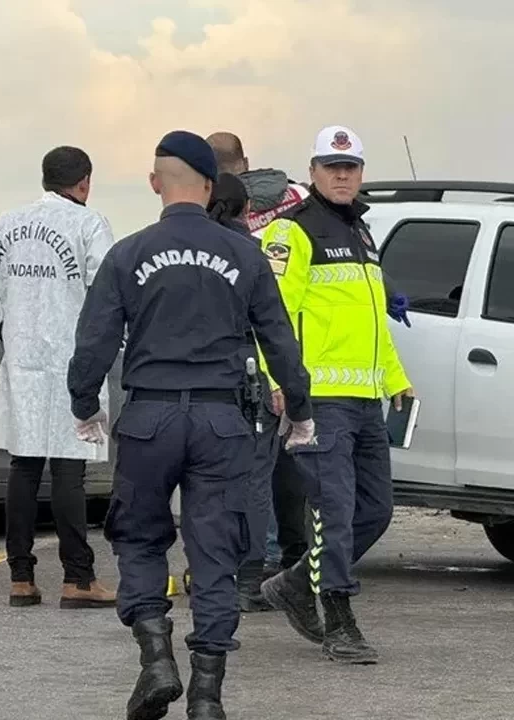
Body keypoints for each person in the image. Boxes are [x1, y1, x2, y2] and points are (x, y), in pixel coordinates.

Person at [67, 131, 315, 720]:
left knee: (139, 538)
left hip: (149, 417)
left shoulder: (128, 253)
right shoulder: (245, 253)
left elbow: (94, 343)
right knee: (215, 551)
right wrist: (300, 412)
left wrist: (84, 406)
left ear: (156, 183)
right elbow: (279, 340)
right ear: (210, 186)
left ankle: (156, 656)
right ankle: (207, 692)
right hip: (222, 421)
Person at [258, 125, 413, 665]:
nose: (342, 175)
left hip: (365, 400)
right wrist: (278, 382)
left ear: (361, 173)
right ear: (313, 172)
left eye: (351, 168)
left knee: (376, 509)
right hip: (318, 399)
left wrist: (395, 378)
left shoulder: (363, 233)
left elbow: (372, 322)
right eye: (331, 167)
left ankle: (294, 584)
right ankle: (339, 619)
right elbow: (269, 316)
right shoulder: (291, 232)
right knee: (335, 509)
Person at [0, 147, 118, 609]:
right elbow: (107, 289)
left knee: (23, 468)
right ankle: (78, 578)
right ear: (84, 182)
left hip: (22, 360)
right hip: (72, 359)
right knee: (68, 471)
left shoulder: (7, 224)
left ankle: (21, 577)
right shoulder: (89, 225)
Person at [205, 172, 284, 613]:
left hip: (194, 389)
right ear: (249, 211)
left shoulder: (184, 254)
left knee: (206, 485)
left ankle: (209, 572)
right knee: (254, 482)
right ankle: (249, 578)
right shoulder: (253, 254)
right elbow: (272, 327)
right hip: (248, 386)